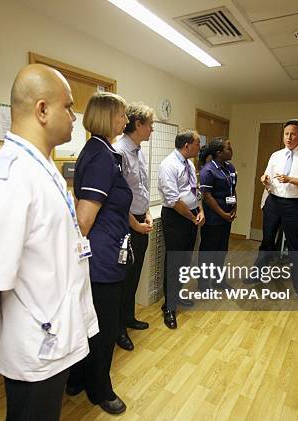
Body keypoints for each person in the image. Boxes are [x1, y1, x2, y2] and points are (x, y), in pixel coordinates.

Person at [0, 64, 99, 421]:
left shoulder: (41, 166)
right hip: (37, 342)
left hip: (55, 331)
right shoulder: (9, 177)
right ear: (42, 110)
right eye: (68, 107)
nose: (73, 116)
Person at [66, 92, 131, 415]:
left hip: (103, 252)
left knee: (90, 325)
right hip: (101, 260)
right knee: (103, 329)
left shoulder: (101, 151)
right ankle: (100, 390)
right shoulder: (102, 157)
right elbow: (83, 220)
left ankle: (78, 379)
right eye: (121, 114)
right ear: (107, 117)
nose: (125, 120)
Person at [254, 120, 298, 303]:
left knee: (296, 246)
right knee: (267, 241)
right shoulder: (276, 155)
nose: (289, 138)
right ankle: (257, 273)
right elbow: (266, 177)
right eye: (286, 134)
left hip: (294, 206)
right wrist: (264, 179)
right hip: (273, 202)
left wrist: (291, 179)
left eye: (293, 134)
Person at [113, 102, 154, 352]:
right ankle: (118, 328)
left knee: (134, 276)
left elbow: (141, 190)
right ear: (137, 124)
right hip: (127, 225)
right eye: (150, 125)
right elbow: (117, 198)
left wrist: (147, 213)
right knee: (123, 279)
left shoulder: (139, 151)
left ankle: (128, 318)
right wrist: (135, 224)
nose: (152, 130)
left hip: (141, 220)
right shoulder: (119, 152)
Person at [158, 130, 205, 329]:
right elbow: (173, 199)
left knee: (185, 259)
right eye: (197, 143)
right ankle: (169, 307)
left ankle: (176, 296)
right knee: (174, 261)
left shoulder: (189, 163)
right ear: (187, 145)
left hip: (191, 215)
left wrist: (200, 210)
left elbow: (194, 191)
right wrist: (192, 216)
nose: (199, 147)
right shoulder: (168, 165)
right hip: (177, 218)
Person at [198, 139, 237, 291]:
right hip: (214, 219)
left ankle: (218, 280)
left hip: (227, 218)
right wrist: (223, 214)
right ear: (219, 153)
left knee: (222, 250)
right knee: (208, 252)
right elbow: (207, 196)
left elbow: (232, 189)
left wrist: (235, 208)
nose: (231, 150)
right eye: (228, 148)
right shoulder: (208, 170)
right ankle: (203, 284)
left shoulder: (230, 167)